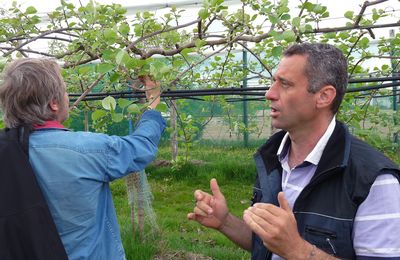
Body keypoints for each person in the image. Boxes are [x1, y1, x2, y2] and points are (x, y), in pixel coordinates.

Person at [188, 43, 400, 259]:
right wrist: (225, 222)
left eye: (285, 84)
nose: (269, 94)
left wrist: (296, 249)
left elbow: (288, 247)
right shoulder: (273, 159)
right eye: (273, 82)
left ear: (324, 96)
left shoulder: (373, 180)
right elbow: (269, 246)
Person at [0, 58, 166, 260]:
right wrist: (153, 103)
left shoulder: (7, 151)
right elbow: (142, 146)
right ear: (53, 103)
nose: (67, 96)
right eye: (64, 91)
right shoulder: (89, 150)